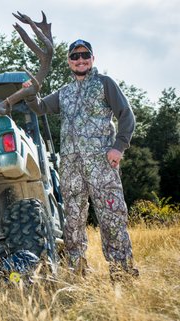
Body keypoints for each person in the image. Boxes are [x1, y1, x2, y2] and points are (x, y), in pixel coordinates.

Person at [23, 39, 139, 281]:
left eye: (85, 55)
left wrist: (118, 147)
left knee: (112, 217)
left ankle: (123, 273)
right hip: (71, 170)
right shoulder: (64, 93)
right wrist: (30, 93)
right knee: (73, 222)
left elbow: (126, 115)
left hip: (102, 167)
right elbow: (40, 107)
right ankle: (78, 272)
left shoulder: (105, 84)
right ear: (69, 62)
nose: (80, 59)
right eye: (75, 56)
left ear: (93, 59)